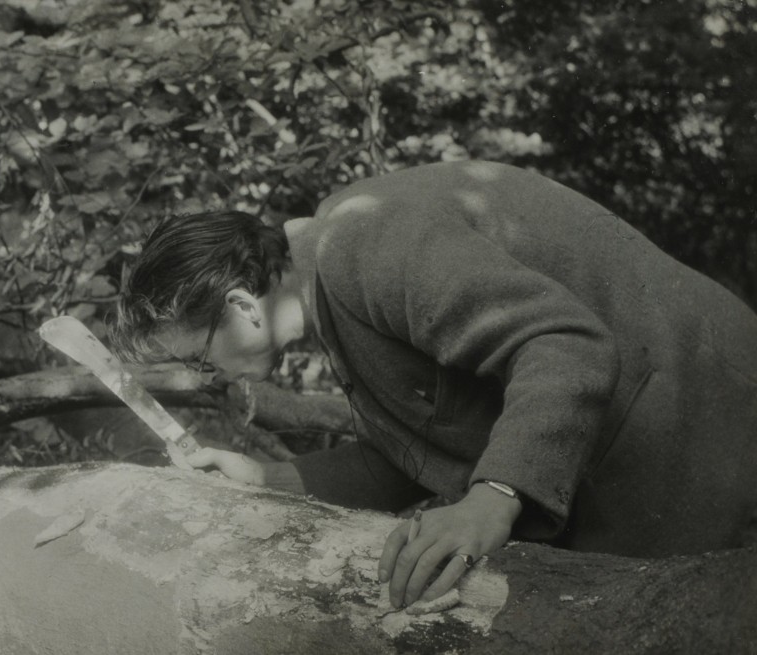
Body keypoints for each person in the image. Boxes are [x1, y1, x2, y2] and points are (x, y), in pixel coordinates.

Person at [109, 160, 757, 610]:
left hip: (710, 425)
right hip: (658, 451)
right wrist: (260, 478)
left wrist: (492, 497)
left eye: (199, 355)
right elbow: (409, 455)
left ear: (242, 306)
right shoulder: (332, 286)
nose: (208, 374)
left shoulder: (366, 241)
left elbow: (564, 345)